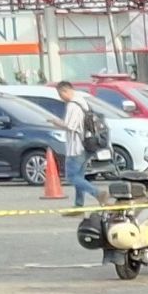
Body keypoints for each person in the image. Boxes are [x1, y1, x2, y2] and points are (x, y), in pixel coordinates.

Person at [53, 80, 99, 208]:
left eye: (60, 94)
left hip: (76, 147)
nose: (60, 98)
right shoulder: (83, 102)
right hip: (86, 144)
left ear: (65, 91)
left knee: (72, 177)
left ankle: (98, 194)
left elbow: (71, 126)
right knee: (79, 176)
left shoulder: (73, 105)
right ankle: (78, 205)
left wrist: (57, 122)